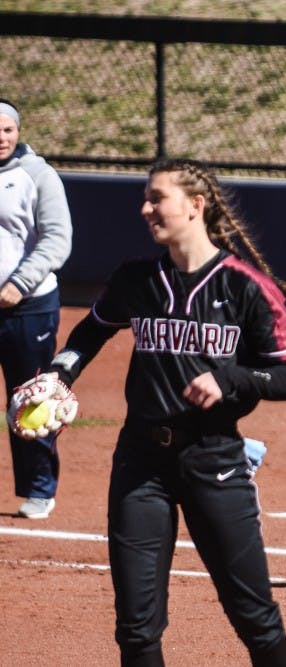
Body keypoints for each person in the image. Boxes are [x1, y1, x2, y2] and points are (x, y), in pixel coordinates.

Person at [43, 158, 286, 665]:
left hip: (214, 463)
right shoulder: (137, 280)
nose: (145, 209)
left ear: (195, 206)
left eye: (156, 198)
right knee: (136, 629)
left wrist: (231, 377)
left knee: (254, 616)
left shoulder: (244, 287)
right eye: (146, 198)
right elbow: (91, 331)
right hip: (140, 464)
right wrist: (59, 372)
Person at [0, 97, 73, 519]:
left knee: (30, 400)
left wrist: (18, 284)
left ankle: (40, 490)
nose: (2, 137)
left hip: (28, 308)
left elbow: (57, 239)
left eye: (8, 129)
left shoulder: (38, 175)